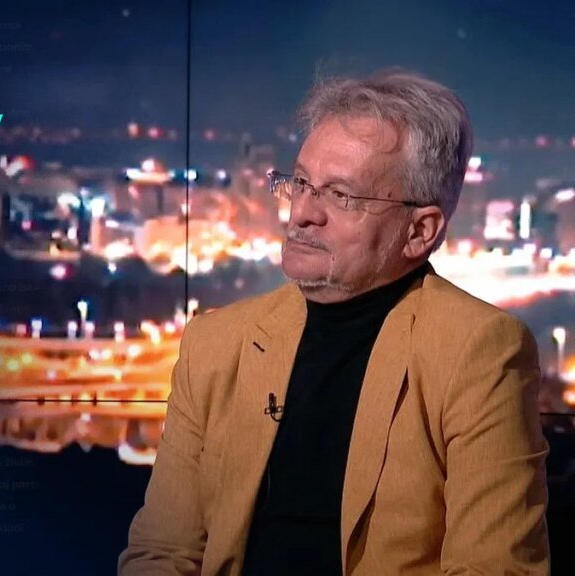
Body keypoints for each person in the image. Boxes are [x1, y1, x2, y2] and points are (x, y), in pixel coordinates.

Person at [118, 70, 550, 575]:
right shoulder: (215, 344)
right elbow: (163, 552)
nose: (303, 212)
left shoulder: (479, 352)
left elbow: (494, 568)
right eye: (302, 184)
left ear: (420, 231)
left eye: (341, 196)